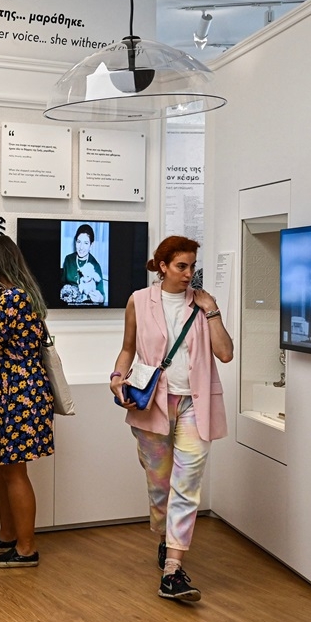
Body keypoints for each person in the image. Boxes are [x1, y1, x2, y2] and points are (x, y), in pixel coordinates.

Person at [109, 235, 233, 602]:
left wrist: (212, 311)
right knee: (160, 485)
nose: (188, 273)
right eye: (182, 266)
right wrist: (117, 378)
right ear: (162, 266)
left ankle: (173, 570)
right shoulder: (138, 301)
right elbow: (128, 347)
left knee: (187, 483)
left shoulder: (202, 304)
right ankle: (166, 539)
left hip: (196, 405)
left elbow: (225, 353)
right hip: (153, 406)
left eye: (192, 266)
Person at [0, 234, 54, 569]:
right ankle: (7, 535)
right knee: (3, 466)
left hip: (19, 394)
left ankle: (26, 547)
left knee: (15, 471)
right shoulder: (19, 297)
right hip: (11, 391)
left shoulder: (12, 300)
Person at [60, 223, 105, 305]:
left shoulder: (95, 265)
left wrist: (100, 298)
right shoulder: (68, 259)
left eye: (86, 243)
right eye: (79, 242)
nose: (81, 247)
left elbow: (102, 296)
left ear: (91, 245)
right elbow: (62, 284)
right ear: (75, 241)